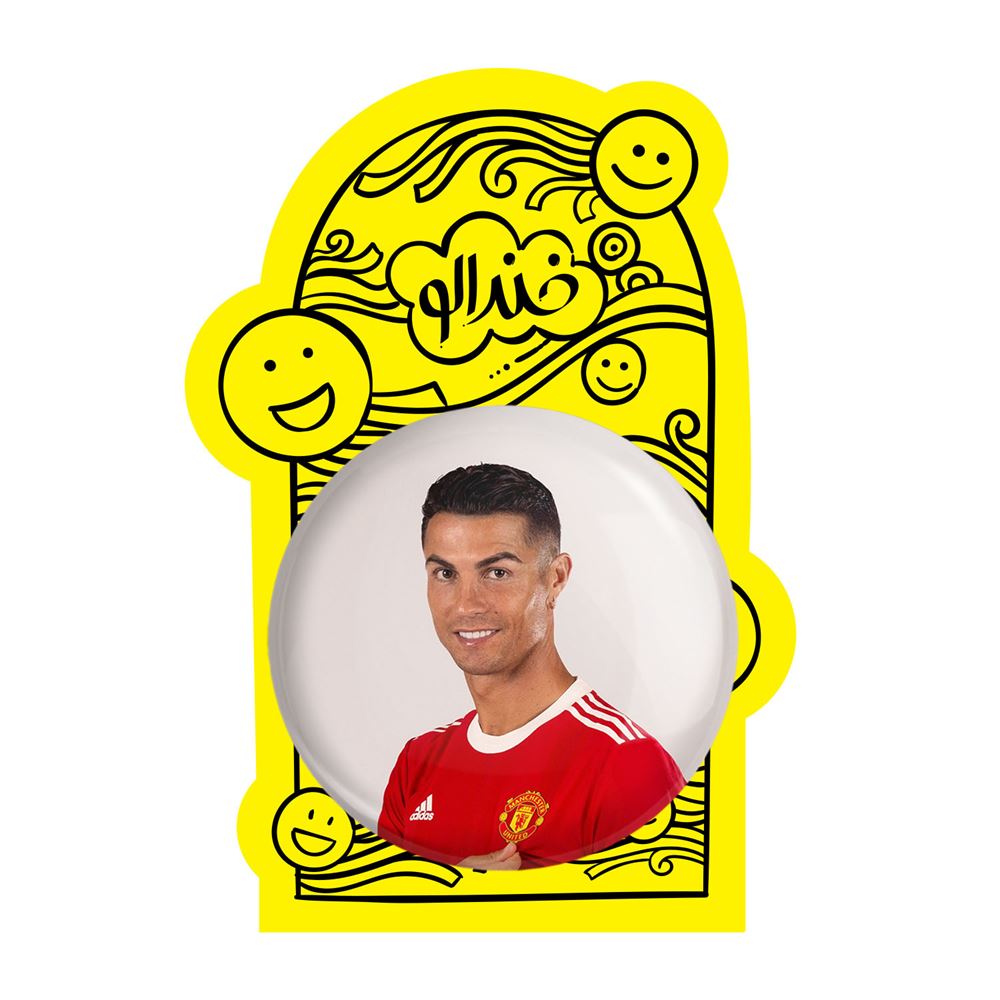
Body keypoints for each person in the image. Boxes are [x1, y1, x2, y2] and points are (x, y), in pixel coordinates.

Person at [377, 463, 685, 870]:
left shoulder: (628, 765)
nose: (466, 604)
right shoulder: (417, 763)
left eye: (497, 572)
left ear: (555, 578)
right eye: (445, 573)